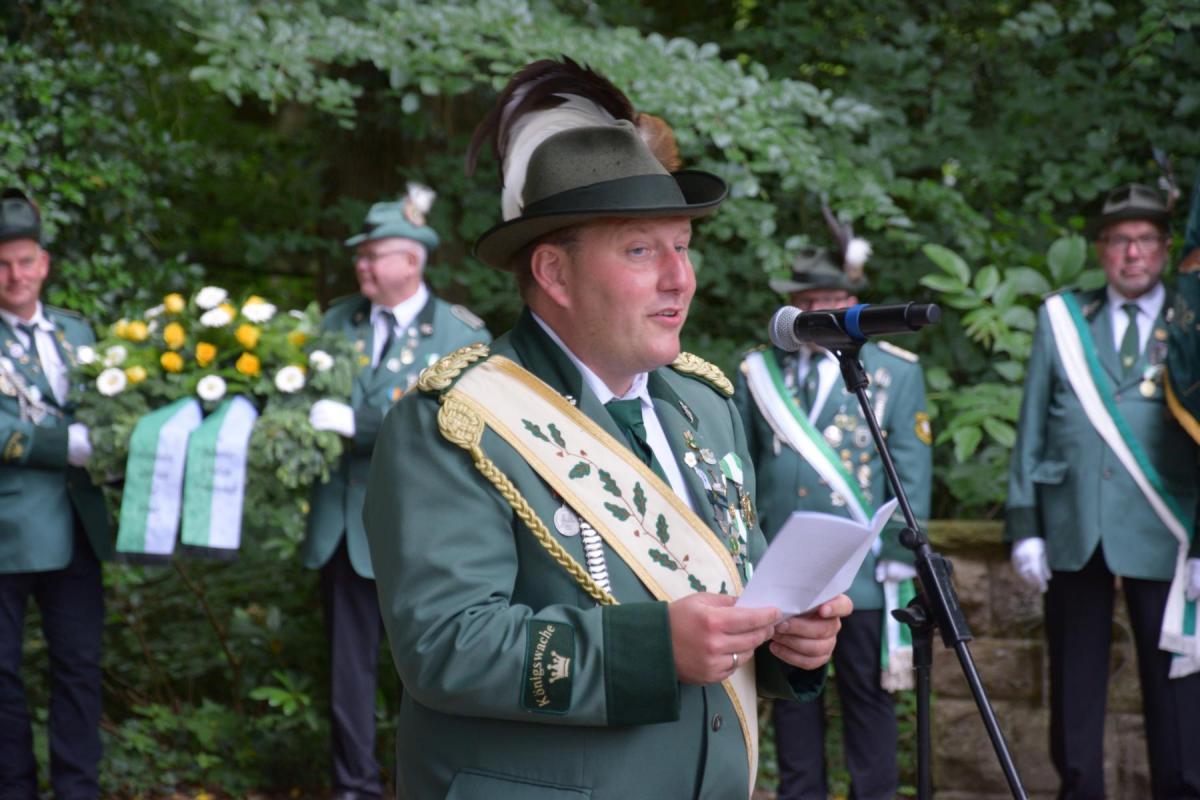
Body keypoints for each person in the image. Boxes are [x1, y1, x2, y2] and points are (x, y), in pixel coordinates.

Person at [361, 58, 853, 799]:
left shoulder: (707, 406)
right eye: (640, 249)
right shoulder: (454, 422)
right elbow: (446, 646)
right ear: (554, 274)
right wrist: (652, 649)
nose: (679, 277)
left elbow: (734, 597)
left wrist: (786, 641)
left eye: (682, 245)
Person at [1007, 182, 1200, 799]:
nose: (1133, 253)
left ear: (1165, 248)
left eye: (1145, 239)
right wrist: (1025, 526)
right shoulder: (1064, 318)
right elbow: (1032, 427)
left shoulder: (1192, 319)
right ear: (1100, 250)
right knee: (1075, 681)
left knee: (1177, 685)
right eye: (1119, 240)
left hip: (1167, 527)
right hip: (1075, 525)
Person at [302, 184, 490, 800]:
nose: (361, 264)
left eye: (373, 254)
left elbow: (461, 426)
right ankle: (354, 787)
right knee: (347, 672)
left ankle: (436, 784)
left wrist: (358, 424)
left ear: (412, 260)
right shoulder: (337, 322)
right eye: (359, 255)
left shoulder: (459, 333)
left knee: (436, 665)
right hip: (344, 523)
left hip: (425, 530)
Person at [736, 240, 931, 800]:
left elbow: (909, 471)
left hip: (862, 571)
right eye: (808, 302)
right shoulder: (758, 372)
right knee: (793, 703)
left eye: (831, 300)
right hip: (786, 569)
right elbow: (742, 468)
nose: (819, 312)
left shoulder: (894, 371)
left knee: (868, 700)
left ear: (851, 302)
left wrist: (900, 554)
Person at [0, 188, 111, 798]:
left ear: (43, 264)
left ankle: (77, 789)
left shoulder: (75, 331)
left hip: (75, 525)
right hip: (8, 529)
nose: (15, 276)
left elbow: (110, 402)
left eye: (25, 261)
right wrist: (61, 444)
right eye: (2, 264)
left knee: (79, 668)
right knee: (2, 674)